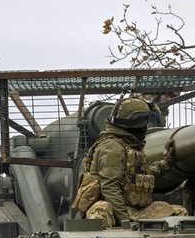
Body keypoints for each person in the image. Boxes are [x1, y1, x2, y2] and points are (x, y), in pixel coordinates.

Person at [73, 97, 186, 227]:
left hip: (135, 209)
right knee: (101, 211)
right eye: (145, 123)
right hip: (113, 208)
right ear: (137, 125)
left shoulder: (131, 146)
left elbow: (144, 177)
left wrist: (167, 163)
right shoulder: (112, 147)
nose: (147, 127)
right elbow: (110, 187)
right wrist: (126, 222)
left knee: (178, 212)